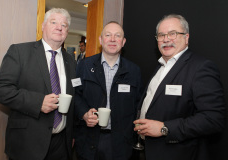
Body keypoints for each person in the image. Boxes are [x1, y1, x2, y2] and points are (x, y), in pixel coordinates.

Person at [134, 14, 226, 160]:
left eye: (173, 34)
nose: (166, 39)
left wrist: (165, 128)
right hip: (148, 151)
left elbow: (213, 119)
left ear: (186, 37)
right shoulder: (160, 67)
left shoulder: (201, 67)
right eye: (161, 35)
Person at [0, 8, 76, 160]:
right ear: (43, 26)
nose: (59, 27)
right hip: (27, 143)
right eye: (54, 22)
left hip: (61, 144)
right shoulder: (20, 51)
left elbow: (74, 99)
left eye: (64, 25)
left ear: (67, 31)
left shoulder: (71, 61)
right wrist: (37, 102)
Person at [74, 21, 143, 160]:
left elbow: (138, 105)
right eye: (108, 35)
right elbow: (75, 94)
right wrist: (84, 113)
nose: (112, 39)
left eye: (117, 36)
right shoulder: (84, 66)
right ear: (101, 40)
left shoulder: (134, 71)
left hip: (121, 144)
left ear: (123, 42)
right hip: (89, 139)